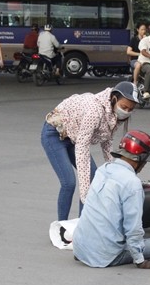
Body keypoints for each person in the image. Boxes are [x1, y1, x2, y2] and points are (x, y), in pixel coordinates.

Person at [41, 81, 140, 221]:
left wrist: (115, 171)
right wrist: (84, 191)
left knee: (93, 179)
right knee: (69, 182)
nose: (126, 112)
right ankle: (61, 226)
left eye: (130, 110)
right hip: (55, 134)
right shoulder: (95, 110)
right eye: (124, 107)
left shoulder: (114, 113)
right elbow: (82, 148)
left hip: (74, 136)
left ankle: (83, 225)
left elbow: (107, 142)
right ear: (114, 99)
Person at [73, 130, 150, 270]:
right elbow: (133, 228)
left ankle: (90, 249)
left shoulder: (103, 169)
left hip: (80, 247)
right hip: (103, 255)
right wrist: (140, 261)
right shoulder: (132, 183)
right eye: (145, 161)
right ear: (139, 159)